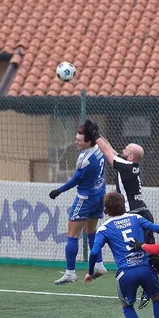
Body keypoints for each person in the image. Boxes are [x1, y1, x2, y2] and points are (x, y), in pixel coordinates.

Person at [94, 134, 159, 306]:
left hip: (135, 214)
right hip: (143, 211)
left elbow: (107, 151)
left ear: (130, 156)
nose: (122, 150)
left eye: (126, 149)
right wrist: (100, 135)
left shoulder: (125, 166)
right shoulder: (130, 165)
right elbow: (110, 149)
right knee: (148, 253)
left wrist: (94, 134)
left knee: (143, 254)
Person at [87, 192, 159, 318]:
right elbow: (158, 229)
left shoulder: (104, 228)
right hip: (146, 268)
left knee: (127, 306)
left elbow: (94, 251)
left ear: (106, 209)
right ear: (123, 205)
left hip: (126, 273)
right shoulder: (136, 218)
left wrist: (91, 272)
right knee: (156, 298)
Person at [49, 120, 107, 285]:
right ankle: (99, 265)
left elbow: (76, 179)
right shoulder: (100, 149)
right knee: (91, 232)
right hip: (99, 195)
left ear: (88, 142)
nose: (75, 142)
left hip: (85, 198)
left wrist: (58, 191)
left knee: (72, 234)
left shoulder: (85, 159)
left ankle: (70, 272)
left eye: (79, 140)